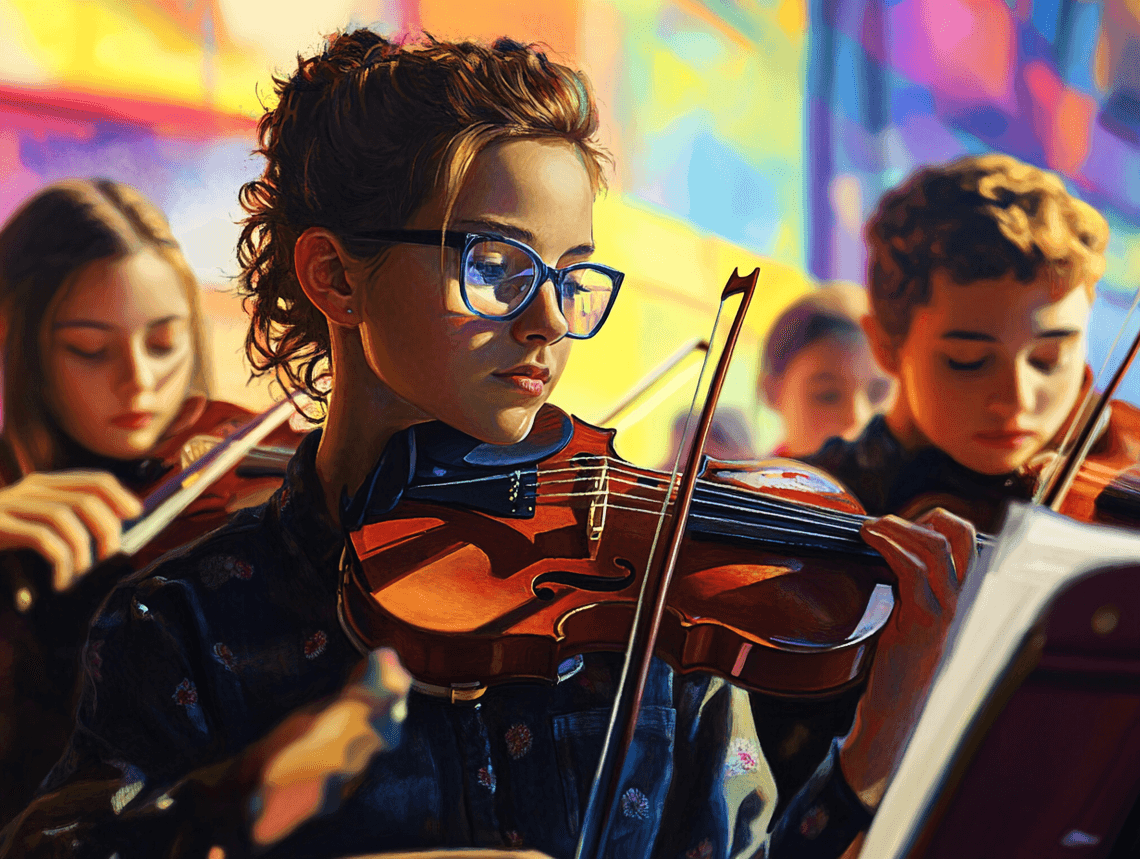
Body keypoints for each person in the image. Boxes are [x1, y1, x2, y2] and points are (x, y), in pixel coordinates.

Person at [3, 33, 974, 859]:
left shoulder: (650, 599)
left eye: (573, 274)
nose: (550, 319)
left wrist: (879, 736)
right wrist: (242, 796)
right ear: (336, 278)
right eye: (499, 266)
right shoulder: (185, 626)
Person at [0, 179, 306, 825]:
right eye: (90, 348)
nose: (139, 380)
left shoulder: (243, 459)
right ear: (19, 341)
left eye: (164, 343)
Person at [806, 153, 1128, 531]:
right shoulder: (817, 496)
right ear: (885, 345)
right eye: (968, 361)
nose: (1016, 400)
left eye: (1049, 357)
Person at [759, 283, 892, 459]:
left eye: (878, 392)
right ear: (772, 392)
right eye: (828, 395)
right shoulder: (744, 485)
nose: (859, 418)